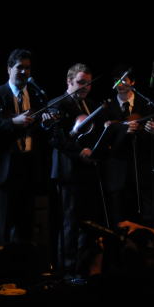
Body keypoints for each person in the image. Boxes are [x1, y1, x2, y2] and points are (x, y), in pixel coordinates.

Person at [0, 48, 48, 246]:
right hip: (2, 172)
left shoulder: (36, 95)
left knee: (25, 231)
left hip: (27, 170)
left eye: (28, 68)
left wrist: (46, 123)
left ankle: (24, 266)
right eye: (19, 67)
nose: (24, 72)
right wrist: (13, 123)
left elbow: (40, 132)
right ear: (9, 69)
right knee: (0, 232)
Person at [48, 63, 104, 282]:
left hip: (88, 170)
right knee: (70, 222)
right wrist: (79, 152)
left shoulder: (91, 104)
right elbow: (56, 138)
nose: (85, 87)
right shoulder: (57, 104)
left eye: (88, 83)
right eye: (81, 82)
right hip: (67, 171)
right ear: (69, 81)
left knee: (88, 222)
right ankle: (67, 270)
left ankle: (83, 268)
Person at [101, 69, 154, 227]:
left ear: (132, 82)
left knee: (147, 217)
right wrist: (122, 130)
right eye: (116, 80)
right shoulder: (107, 106)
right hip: (117, 171)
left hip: (141, 170)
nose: (120, 84)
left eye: (124, 80)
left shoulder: (146, 104)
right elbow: (104, 141)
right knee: (119, 217)